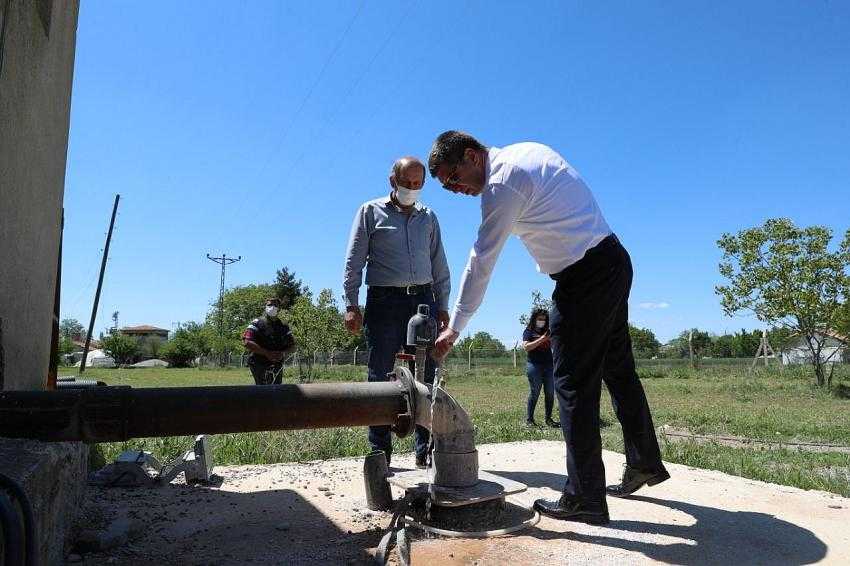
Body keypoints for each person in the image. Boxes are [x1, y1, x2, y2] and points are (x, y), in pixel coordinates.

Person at [429, 131, 668, 525]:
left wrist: (455, 327)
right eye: (446, 186)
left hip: (585, 277)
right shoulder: (527, 151)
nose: (454, 189)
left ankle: (585, 497)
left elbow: (482, 258)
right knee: (618, 370)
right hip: (611, 261)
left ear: (472, 156)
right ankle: (643, 462)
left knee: (571, 384)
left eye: (453, 177)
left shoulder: (501, 182)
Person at [343, 156, 451, 468]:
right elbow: (354, 261)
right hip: (384, 301)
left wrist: (442, 305)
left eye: (418, 184)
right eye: (407, 183)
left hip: (422, 300)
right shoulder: (369, 211)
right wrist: (351, 304)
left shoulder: (428, 217)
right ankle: (380, 451)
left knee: (427, 373)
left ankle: (426, 449)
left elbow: (439, 264)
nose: (412, 189)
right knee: (379, 373)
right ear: (394, 181)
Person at [243, 298, 295, 385]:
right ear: (265, 307)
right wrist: (267, 353)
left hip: (277, 364)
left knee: (276, 390)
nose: (272, 307)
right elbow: (247, 342)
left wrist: (282, 353)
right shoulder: (257, 323)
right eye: (269, 305)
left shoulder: (283, 326)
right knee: (263, 391)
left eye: (275, 305)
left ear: (279, 308)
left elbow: (292, 345)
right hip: (259, 363)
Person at [522, 308, 559, 428]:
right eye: (539, 319)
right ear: (534, 319)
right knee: (535, 392)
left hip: (549, 365)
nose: (541, 321)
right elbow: (526, 347)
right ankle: (529, 420)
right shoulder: (529, 331)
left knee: (550, 393)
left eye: (544, 319)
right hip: (534, 365)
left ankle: (549, 419)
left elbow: (554, 344)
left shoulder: (549, 331)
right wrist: (542, 339)